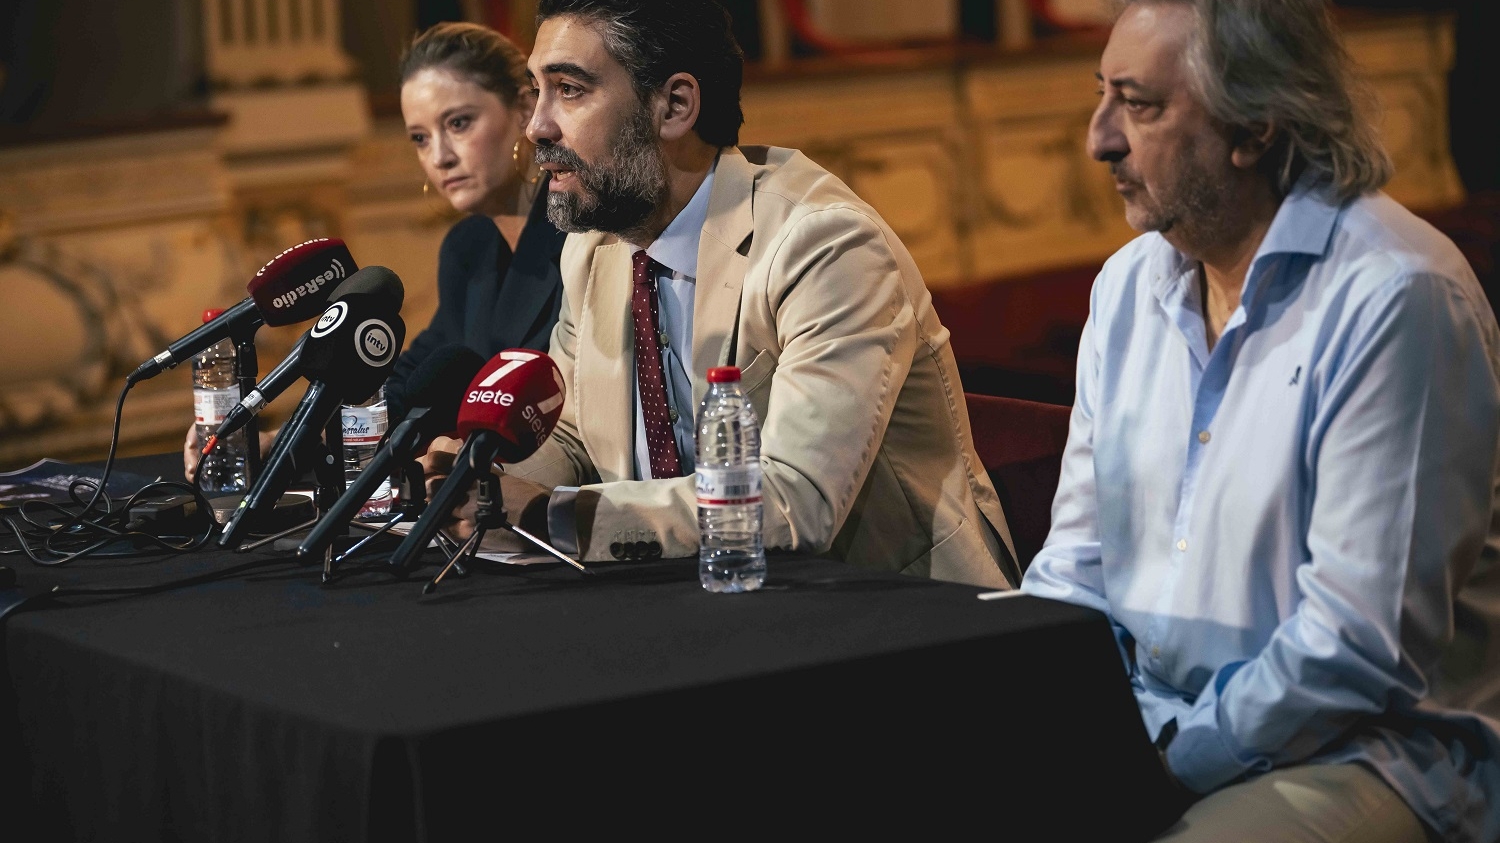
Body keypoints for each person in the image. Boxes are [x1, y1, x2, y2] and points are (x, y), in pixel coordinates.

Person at [1019, 1, 1500, 841]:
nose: (1098, 139)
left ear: (1256, 129)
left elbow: (1357, 646)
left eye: (1140, 105)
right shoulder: (1127, 288)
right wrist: (1030, 708)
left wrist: (1164, 758)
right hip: (1156, 725)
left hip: (1370, 753)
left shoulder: (1397, 295)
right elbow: (1076, 569)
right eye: (1102, 97)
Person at [426, 0, 1018, 589]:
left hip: (895, 607)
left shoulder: (822, 245)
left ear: (675, 106)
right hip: (702, 601)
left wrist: (549, 515)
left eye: (570, 90)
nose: (537, 127)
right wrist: (478, 482)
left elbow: (794, 501)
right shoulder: (594, 247)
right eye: (537, 89)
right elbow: (576, 435)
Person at [183, 21, 568, 479]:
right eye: (420, 138)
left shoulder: (577, 232)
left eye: (459, 123)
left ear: (525, 108)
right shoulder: (468, 248)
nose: (440, 156)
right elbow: (405, 384)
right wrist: (282, 443)